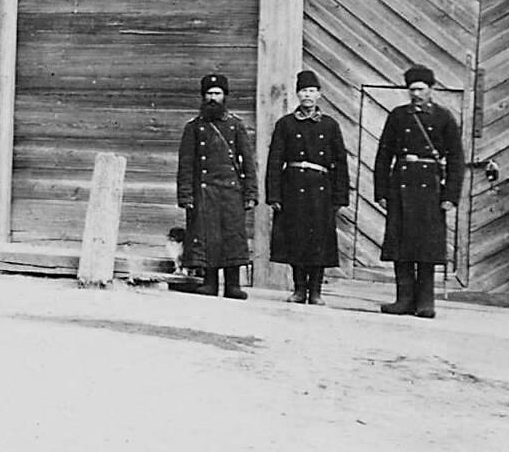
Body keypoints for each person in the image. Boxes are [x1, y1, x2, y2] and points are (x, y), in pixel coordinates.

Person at [372, 64, 464, 317]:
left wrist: (451, 196)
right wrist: (381, 191)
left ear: (431, 89)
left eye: (421, 89)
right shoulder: (398, 116)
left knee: (426, 247)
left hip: (430, 190)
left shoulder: (444, 118)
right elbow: (383, 155)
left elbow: (456, 159)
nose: (416, 94)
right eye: (412, 89)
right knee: (401, 247)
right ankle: (403, 300)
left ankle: (425, 302)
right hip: (401, 187)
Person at [264, 68, 353, 304]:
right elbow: (275, 161)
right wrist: (274, 195)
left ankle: (315, 291)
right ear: (297, 94)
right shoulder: (285, 124)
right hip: (293, 188)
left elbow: (340, 163)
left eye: (312, 91)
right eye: (303, 91)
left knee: (318, 241)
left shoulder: (330, 125)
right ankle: (299, 289)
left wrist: (340, 196)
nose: (307, 95)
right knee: (296, 239)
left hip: (320, 190)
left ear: (319, 95)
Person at [175, 70, 255, 297]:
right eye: (209, 93)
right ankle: (209, 283)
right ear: (203, 96)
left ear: (225, 96)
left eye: (217, 93)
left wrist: (251, 193)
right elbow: (186, 164)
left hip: (232, 191)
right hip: (205, 191)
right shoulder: (193, 127)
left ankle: (233, 285)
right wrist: (186, 195)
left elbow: (248, 162)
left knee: (233, 236)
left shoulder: (236, 125)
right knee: (207, 236)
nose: (213, 98)